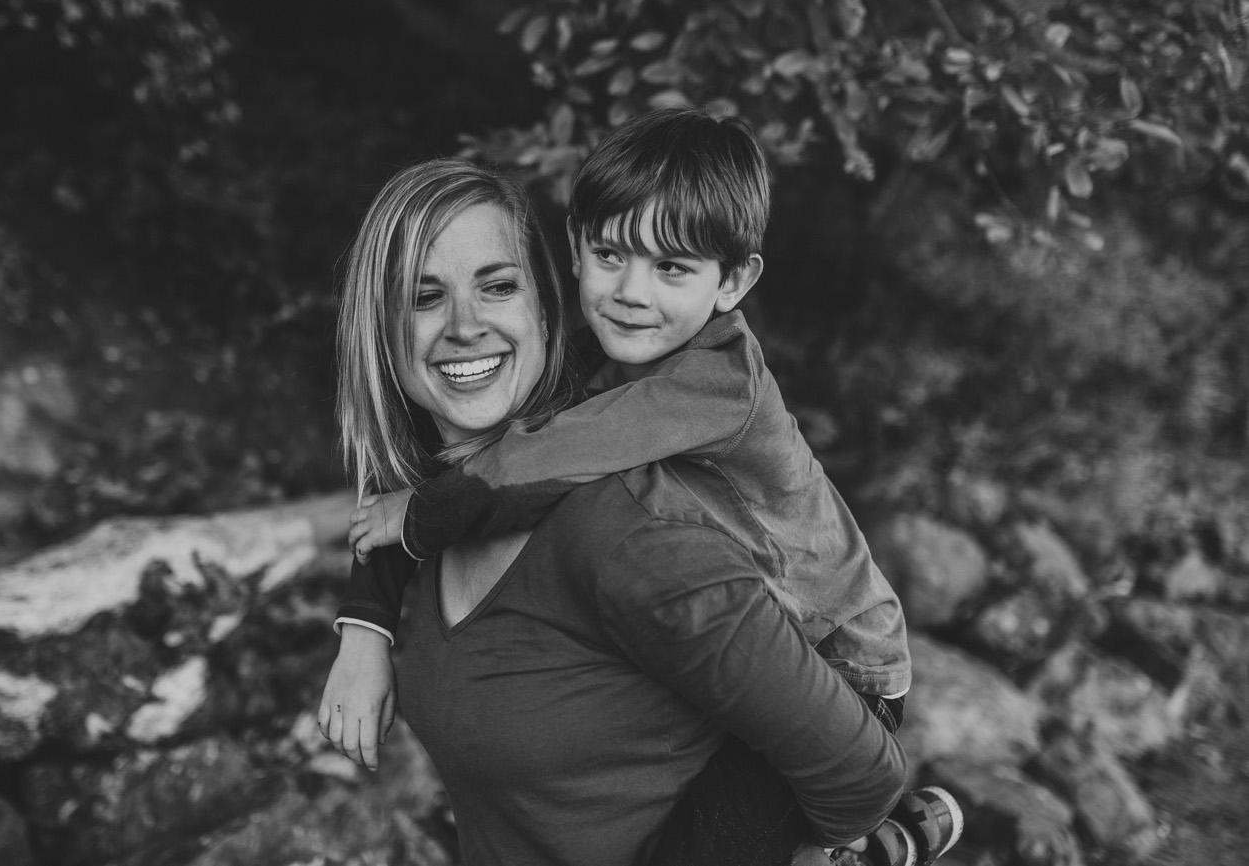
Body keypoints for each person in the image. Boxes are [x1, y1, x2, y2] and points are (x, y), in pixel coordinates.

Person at [318, 156, 907, 866]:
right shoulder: (490, 469)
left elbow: (858, 770)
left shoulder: (633, 530)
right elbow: (410, 485)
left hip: (854, 649)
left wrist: (813, 846)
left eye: (497, 285)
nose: (465, 325)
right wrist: (364, 626)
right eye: (423, 296)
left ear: (543, 302)